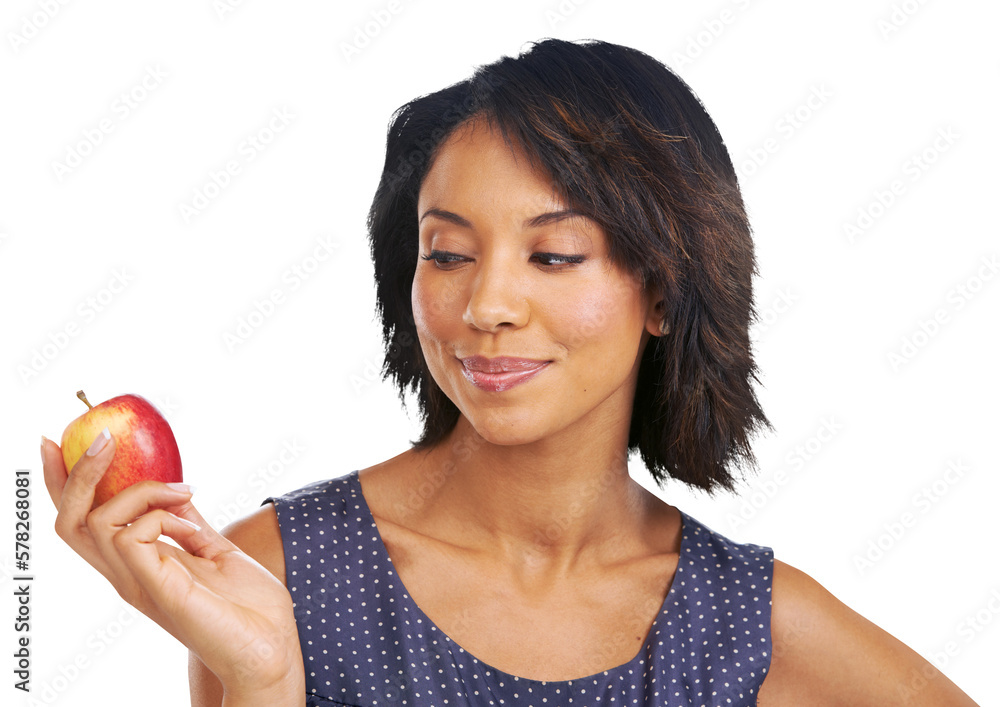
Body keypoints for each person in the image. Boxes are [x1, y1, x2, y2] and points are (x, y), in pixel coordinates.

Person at [42, 38, 979, 706]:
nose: (486, 303)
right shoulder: (274, 575)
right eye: (447, 254)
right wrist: (262, 680)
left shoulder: (747, 623)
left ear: (661, 288)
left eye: (554, 255)